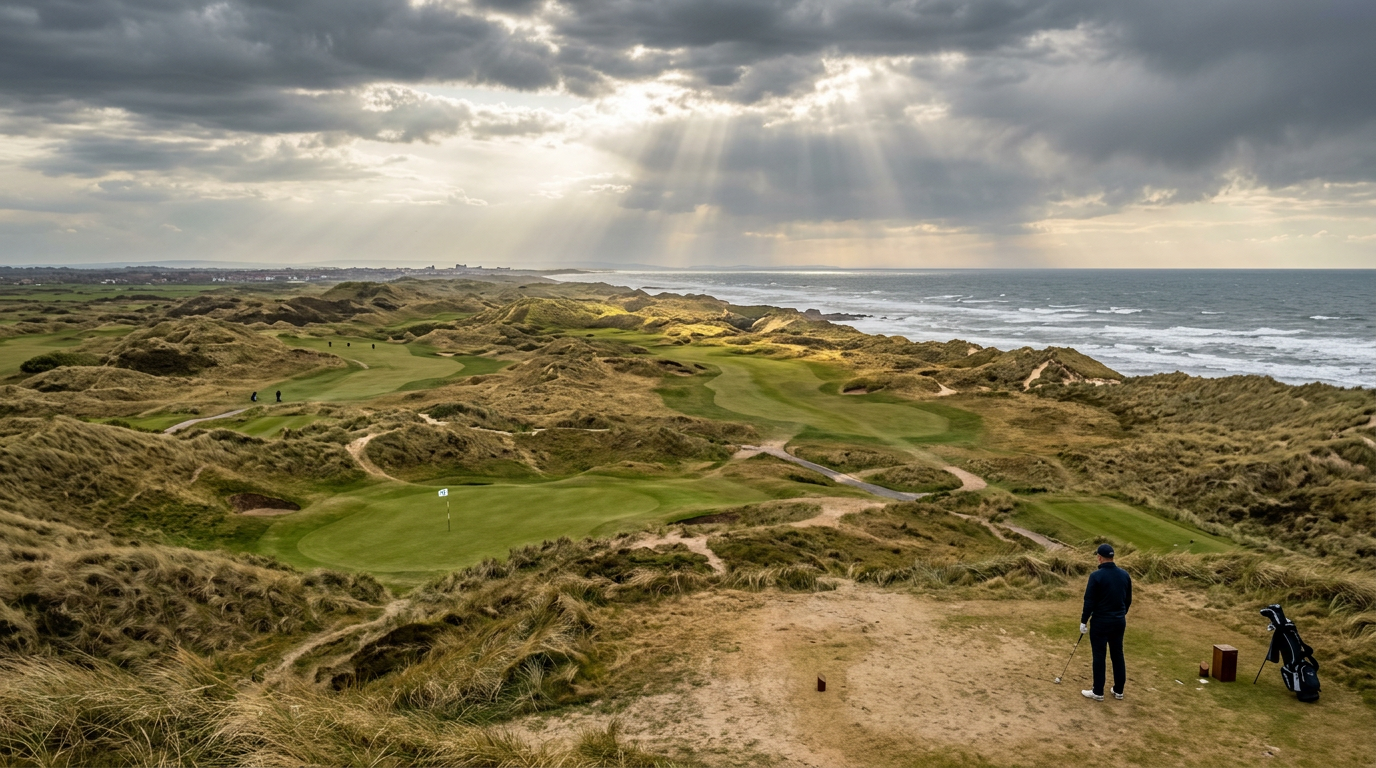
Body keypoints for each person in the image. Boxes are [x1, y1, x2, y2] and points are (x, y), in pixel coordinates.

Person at [1081, 542, 1132, 701]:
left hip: (1100, 622)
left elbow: (1089, 601)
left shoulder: (1096, 576)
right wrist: (1121, 614)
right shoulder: (1124, 575)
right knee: (1117, 654)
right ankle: (1118, 690)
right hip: (1119, 621)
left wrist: (1083, 621)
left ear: (1099, 558)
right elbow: (1128, 600)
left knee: (1099, 655)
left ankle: (1098, 692)